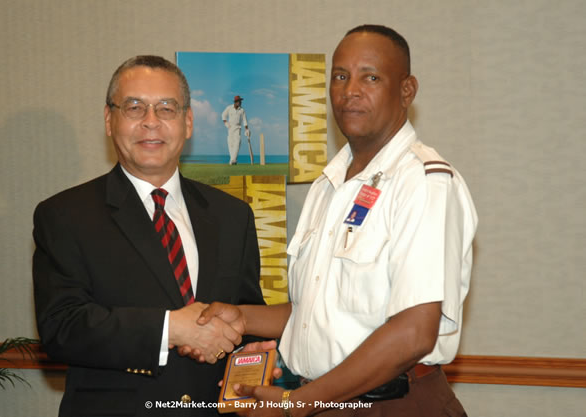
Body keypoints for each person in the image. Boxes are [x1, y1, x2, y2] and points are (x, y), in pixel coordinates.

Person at [192, 24, 478, 416]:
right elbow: (317, 313)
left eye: (371, 77)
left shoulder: (424, 182)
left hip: (393, 405)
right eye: (340, 76)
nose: (350, 90)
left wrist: (297, 405)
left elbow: (413, 332)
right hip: (324, 402)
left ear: (406, 90)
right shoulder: (328, 185)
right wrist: (243, 317)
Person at [32, 55, 264, 416]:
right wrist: (170, 328)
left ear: (187, 123)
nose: (151, 122)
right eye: (134, 107)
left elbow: (247, 317)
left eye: (166, 109)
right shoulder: (64, 215)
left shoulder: (233, 216)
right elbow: (62, 328)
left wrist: (255, 355)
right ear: (110, 120)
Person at [221, 95, 249, 165]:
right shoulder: (229, 108)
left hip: (238, 128)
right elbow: (223, 115)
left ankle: (233, 159)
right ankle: (233, 160)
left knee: (238, 142)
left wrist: (247, 130)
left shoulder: (242, 110)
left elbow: (245, 120)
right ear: (236, 102)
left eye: (240, 101)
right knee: (231, 144)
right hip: (230, 127)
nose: (240, 103)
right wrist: (226, 123)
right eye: (239, 101)